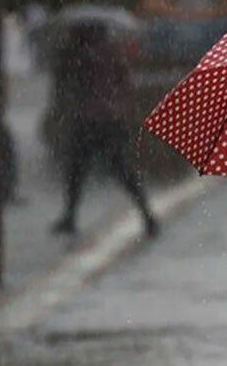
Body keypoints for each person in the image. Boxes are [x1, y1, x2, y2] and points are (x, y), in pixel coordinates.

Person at [49, 23, 158, 237]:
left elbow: (67, 83)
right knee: (122, 170)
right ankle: (147, 215)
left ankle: (70, 216)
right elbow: (124, 82)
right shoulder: (111, 51)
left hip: (89, 120)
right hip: (111, 119)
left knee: (78, 170)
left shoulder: (81, 55)